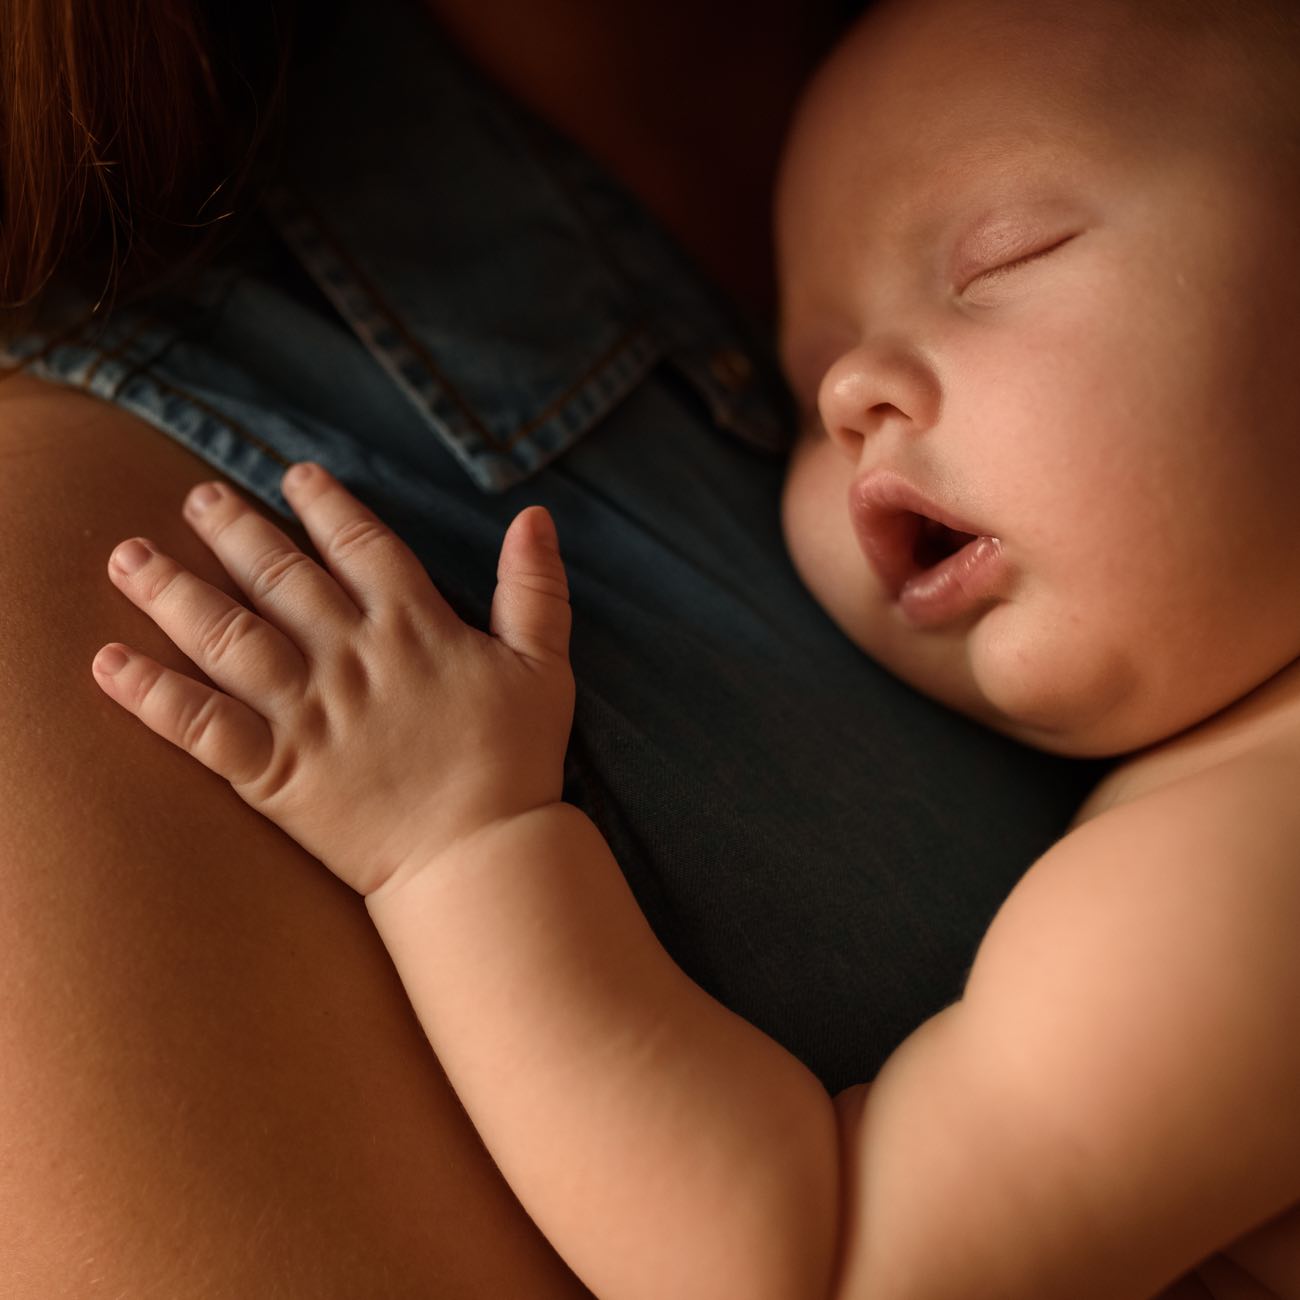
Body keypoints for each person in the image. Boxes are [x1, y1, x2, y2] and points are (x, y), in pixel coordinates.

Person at [84, 0, 1300, 1296]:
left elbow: (826, 1270)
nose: (848, 395)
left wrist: (460, 847)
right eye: (800, 379)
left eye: (997, 260)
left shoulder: (1252, 865)